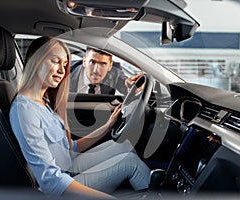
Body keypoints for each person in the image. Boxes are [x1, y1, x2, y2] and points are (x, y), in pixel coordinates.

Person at [9, 36, 151, 198]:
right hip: (60, 186)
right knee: (130, 164)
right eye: (55, 61)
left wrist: (108, 126)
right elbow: (50, 180)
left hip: (68, 164)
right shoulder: (25, 110)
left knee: (124, 147)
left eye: (64, 64)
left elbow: (70, 148)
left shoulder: (43, 102)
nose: (62, 71)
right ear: (36, 61)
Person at [70, 46, 142, 95]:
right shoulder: (67, 71)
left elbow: (125, 83)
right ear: (84, 61)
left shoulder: (115, 73)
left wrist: (131, 86)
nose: (96, 70)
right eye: (92, 62)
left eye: (103, 64)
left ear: (110, 66)